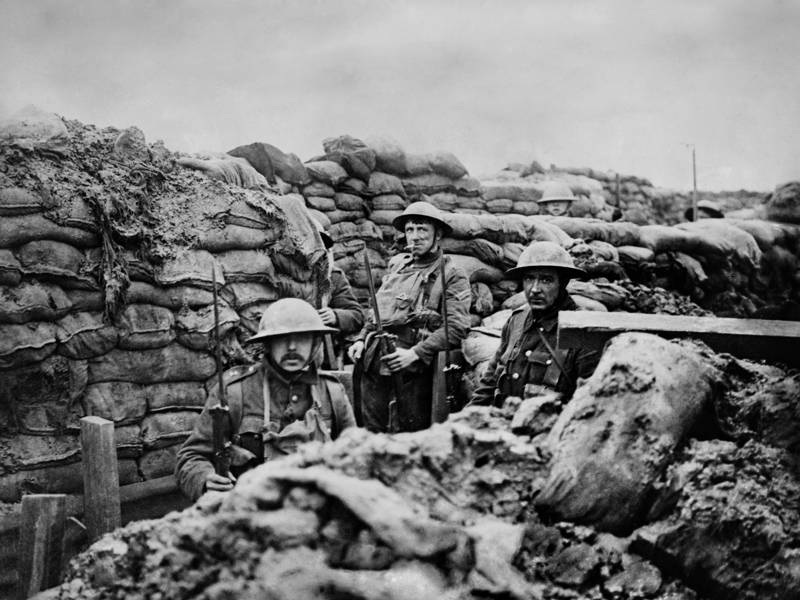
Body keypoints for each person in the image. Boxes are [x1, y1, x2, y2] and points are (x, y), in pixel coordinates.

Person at [175, 297, 357, 501]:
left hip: (317, 508)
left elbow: (357, 454)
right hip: (253, 508)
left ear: (315, 343)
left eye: (301, 338)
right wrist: (205, 478)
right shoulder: (235, 391)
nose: (292, 347)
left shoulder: (332, 392)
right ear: (268, 344)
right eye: (282, 339)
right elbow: (191, 457)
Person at [347, 201, 471, 433]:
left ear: (438, 234)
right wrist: (361, 339)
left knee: (408, 435)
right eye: (410, 229)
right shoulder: (397, 268)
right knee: (371, 432)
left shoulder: (452, 274)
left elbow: (456, 327)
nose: (415, 236)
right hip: (374, 361)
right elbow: (378, 312)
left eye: (422, 229)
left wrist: (415, 353)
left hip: (415, 370)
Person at [469, 241, 600, 407]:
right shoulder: (517, 320)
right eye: (529, 279)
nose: (535, 289)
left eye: (546, 280)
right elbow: (490, 379)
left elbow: (589, 402)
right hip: (504, 417)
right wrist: (468, 415)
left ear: (563, 283)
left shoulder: (581, 330)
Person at [315, 224, 365, 366]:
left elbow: (356, 316)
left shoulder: (333, 277)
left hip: (322, 355)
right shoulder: (282, 276)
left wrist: (335, 316)